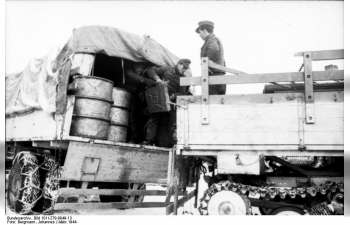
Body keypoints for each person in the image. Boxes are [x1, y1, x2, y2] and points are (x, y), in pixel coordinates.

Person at [141, 59, 191, 146]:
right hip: (159, 98)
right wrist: (158, 79)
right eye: (184, 67)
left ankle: (171, 145)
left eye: (186, 68)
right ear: (179, 64)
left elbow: (181, 93)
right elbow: (150, 70)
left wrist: (173, 96)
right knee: (153, 120)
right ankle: (149, 141)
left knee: (171, 124)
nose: (184, 69)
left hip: (171, 103)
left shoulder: (184, 79)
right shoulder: (167, 69)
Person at [123, 62, 156, 144]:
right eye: (139, 67)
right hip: (124, 97)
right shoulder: (129, 70)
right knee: (131, 117)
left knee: (139, 117)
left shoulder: (141, 75)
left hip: (135, 99)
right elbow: (131, 75)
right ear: (134, 66)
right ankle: (132, 138)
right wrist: (146, 81)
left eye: (142, 68)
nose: (140, 70)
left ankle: (139, 139)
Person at [196, 20, 226, 95]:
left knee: (211, 104)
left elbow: (214, 49)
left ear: (204, 30)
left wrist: (207, 64)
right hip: (219, 76)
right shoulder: (214, 39)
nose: (199, 35)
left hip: (214, 77)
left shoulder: (211, 40)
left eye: (200, 32)